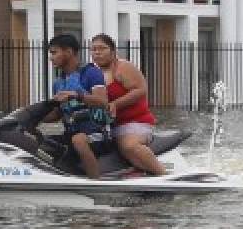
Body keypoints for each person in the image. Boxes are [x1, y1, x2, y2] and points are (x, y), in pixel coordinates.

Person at [89, 34, 166, 176]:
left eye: (102, 48)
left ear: (113, 51)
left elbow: (141, 90)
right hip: (109, 127)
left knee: (129, 146)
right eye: (93, 49)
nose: (97, 52)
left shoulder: (123, 67)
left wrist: (115, 104)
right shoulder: (93, 73)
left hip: (135, 123)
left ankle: (163, 175)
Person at [44, 33, 111, 179]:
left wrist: (76, 95)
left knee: (78, 140)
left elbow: (102, 101)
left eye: (54, 52)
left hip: (97, 135)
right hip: (70, 134)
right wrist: (33, 116)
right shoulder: (59, 82)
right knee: (41, 141)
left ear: (68, 52)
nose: (51, 57)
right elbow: (57, 114)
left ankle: (96, 184)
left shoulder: (91, 73)